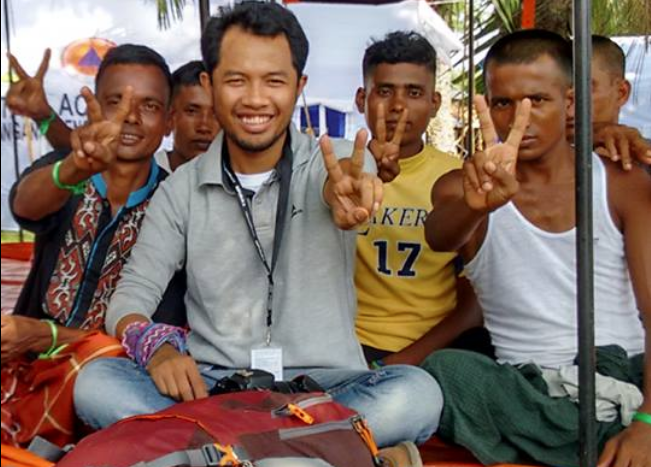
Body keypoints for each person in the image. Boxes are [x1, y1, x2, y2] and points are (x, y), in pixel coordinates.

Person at [73, 3, 441, 466]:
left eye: (274, 81)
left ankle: (219, 453)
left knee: (417, 393)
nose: (255, 100)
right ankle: (316, 451)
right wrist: (159, 350)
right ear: (209, 85)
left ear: (299, 86)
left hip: (326, 388)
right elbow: (129, 298)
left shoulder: (343, 162)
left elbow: (342, 191)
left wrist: (347, 199)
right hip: (214, 388)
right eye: (235, 80)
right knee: (96, 384)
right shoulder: (182, 189)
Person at [422, 30, 650, 467]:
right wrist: (476, 207)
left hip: (624, 372)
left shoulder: (621, 182)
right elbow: (438, 238)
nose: (517, 119)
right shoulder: (461, 185)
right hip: (527, 389)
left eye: (536, 101)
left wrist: (647, 423)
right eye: (502, 103)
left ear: (569, 104)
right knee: (449, 371)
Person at [1, 44, 186, 447]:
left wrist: (46, 334)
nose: (130, 117)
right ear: (94, 106)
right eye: (115, 101)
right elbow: (24, 205)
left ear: (169, 121)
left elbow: (151, 335)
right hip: (24, 364)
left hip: (111, 378)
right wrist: (74, 168)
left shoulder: (177, 201)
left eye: (149, 106)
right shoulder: (68, 168)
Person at [353, 31, 487, 367]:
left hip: (431, 351)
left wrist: (401, 362)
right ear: (361, 99)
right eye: (384, 91)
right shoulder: (336, 171)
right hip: (343, 346)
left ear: (434, 103)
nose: (398, 106)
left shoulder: (459, 179)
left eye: (414, 93)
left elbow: (476, 301)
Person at [567, 35, 651, 170]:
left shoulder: (643, 155)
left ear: (621, 93)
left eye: (584, 88)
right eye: (558, 90)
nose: (569, 105)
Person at [154, 60, 220, 173]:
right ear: (169, 119)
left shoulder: (246, 182)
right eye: (192, 111)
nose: (204, 127)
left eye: (216, 114)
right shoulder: (141, 176)